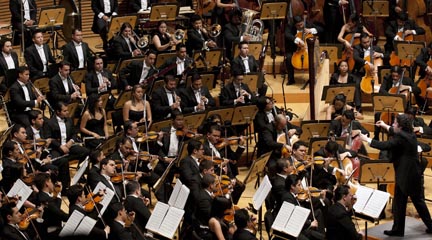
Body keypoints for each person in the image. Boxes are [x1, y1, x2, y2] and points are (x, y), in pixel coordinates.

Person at [359, 114, 432, 236]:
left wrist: (366, 139)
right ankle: (428, 226)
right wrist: (384, 126)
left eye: (394, 123)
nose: (392, 124)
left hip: (405, 175)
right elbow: (394, 131)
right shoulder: (409, 134)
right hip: (413, 173)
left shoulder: (401, 137)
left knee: (402, 202)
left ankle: (398, 229)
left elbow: (384, 145)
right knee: (414, 201)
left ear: (401, 126)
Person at [43, 101, 90, 187]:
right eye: (65, 111)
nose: (67, 112)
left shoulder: (69, 119)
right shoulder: (49, 123)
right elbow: (49, 138)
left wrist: (71, 141)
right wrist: (60, 146)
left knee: (86, 152)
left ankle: (80, 173)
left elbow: (75, 132)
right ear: (58, 112)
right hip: (56, 148)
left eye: (67, 110)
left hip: (69, 145)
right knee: (62, 161)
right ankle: (66, 185)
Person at [285, 15, 322, 85]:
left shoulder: (307, 24)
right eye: (298, 25)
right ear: (295, 24)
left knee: (313, 57)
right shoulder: (290, 26)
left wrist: (310, 30)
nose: (301, 26)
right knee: (288, 58)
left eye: (301, 24)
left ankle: (312, 78)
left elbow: (321, 29)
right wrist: (297, 40)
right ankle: (291, 79)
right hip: (294, 48)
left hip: (306, 48)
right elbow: (287, 34)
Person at [34, 172, 69, 239]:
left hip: (51, 224)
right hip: (52, 230)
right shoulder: (46, 199)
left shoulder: (40, 195)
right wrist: (58, 193)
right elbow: (60, 214)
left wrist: (57, 192)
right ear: (47, 183)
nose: (52, 184)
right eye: (51, 181)